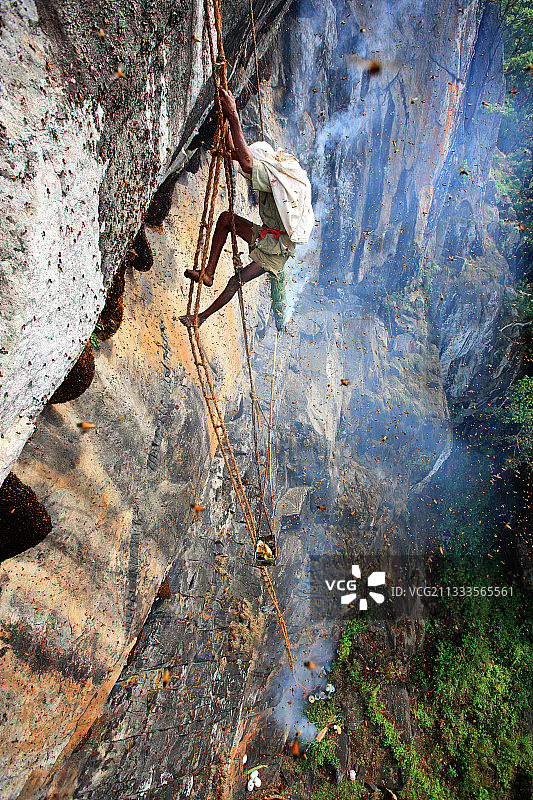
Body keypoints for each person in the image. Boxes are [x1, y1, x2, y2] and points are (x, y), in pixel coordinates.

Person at [179, 87, 313, 328]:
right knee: (225, 219)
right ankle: (208, 273)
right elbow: (238, 155)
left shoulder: (275, 178)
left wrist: (233, 116)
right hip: (266, 234)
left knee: (235, 281)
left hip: (276, 251)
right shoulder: (272, 174)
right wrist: (226, 124)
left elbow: (248, 164)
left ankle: (201, 318)